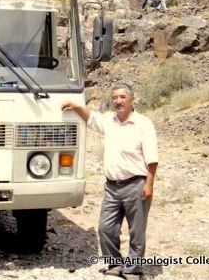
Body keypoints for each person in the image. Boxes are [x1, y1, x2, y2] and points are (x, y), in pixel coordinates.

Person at [61, 83, 158, 280]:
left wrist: (149, 184)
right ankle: (115, 263)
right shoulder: (109, 120)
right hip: (112, 187)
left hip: (136, 185)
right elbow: (91, 118)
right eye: (115, 97)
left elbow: (152, 158)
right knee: (106, 228)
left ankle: (133, 270)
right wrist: (76, 105)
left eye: (122, 97)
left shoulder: (143, 123)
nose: (118, 101)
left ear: (131, 100)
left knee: (136, 231)